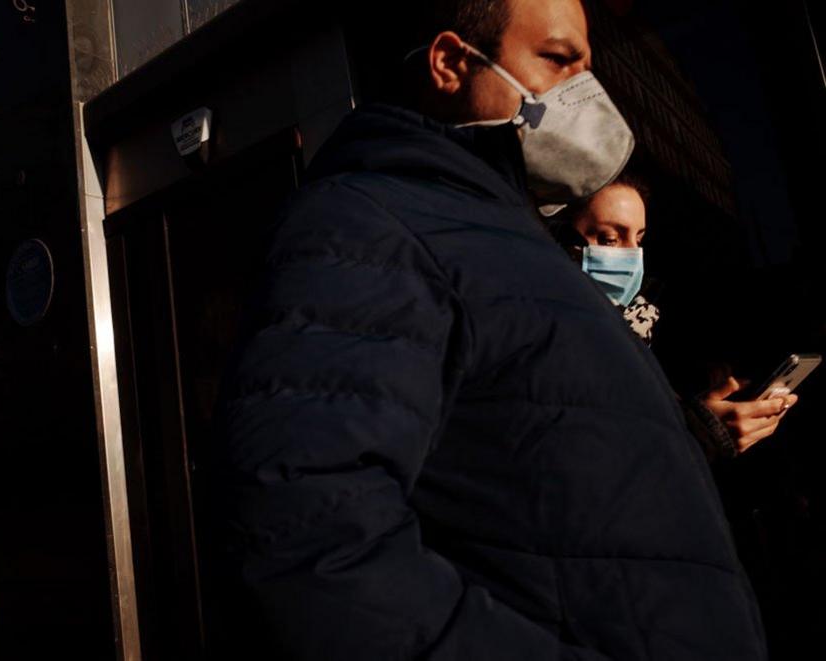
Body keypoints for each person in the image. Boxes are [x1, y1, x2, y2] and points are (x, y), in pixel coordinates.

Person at [212, 1, 768, 658]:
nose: (588, 96)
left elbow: (552, 459)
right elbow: (308, 534)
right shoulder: (374, 224)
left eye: (589, 68)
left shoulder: (507, 240)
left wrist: (695, 434)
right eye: (559, 60)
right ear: (450, 63)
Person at [548, 175, 799, 460]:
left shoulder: (638, 327)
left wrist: (700, 407)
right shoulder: (546, 328)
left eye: (639, 239)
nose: (633, 255)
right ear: (563, 238)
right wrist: (696, 435)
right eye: (610, 239)